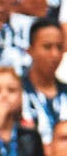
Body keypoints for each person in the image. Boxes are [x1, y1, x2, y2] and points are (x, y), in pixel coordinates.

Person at [20, 17, 67, 148]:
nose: (55, 54)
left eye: (59, 47)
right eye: (47, 47)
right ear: (30, 50)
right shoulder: (16, 91)